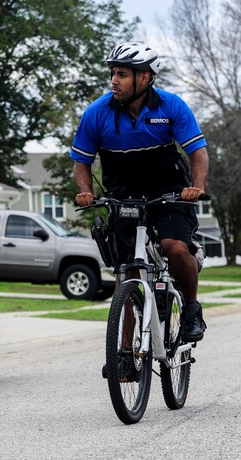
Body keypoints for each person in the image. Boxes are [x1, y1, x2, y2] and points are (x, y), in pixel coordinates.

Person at [70, 41, 209, 342]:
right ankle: (125, 355)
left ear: (144, 78)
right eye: (113, 73)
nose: (113, 81)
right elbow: (81, 161)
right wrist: (85, 190)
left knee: (174, 247)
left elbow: (198, 152)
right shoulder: (97, 113)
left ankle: (192, 309)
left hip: (168, 190)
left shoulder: (171, 107)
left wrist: (195, 187)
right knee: (128, 273)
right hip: (123, 195)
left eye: (121, 74)